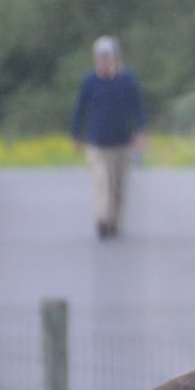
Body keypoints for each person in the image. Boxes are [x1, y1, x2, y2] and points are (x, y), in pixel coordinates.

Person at [70, 36, 147, 239]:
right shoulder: (89, 81)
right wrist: (75, 135)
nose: (104, 61)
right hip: (97, 144)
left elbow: (138, 107)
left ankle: (114, 221)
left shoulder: (127, 80)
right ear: (96, 59)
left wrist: (140, 132)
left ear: (114, 58)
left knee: (118, 187)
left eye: (108, 57)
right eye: (101, 58)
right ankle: (102, 219)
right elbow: (80, 109)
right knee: (101, 183)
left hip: (122, 142)